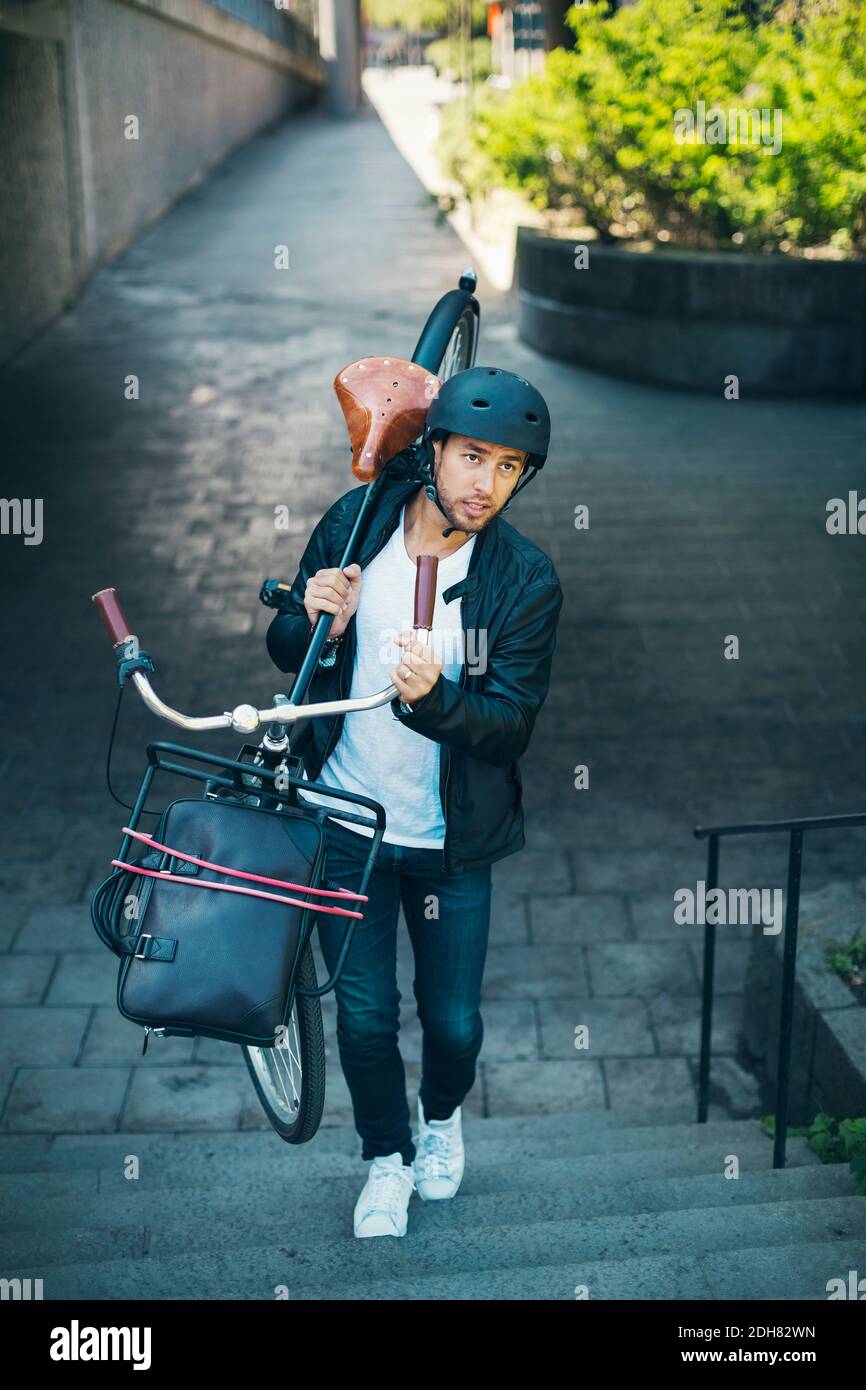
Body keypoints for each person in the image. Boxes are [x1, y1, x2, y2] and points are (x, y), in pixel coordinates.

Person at [266, 366, 563, 1238]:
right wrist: (310, 614)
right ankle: (385, 1158)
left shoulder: (524, 582)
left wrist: (434, 699)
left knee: (456, 1022)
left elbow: (510, 727)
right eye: (473, 457)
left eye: (511, 468)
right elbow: (292, 652)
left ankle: (441, 1119)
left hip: (449, 842)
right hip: (345, 819)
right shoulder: (355, 523)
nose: (487, 485)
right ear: (432, 449)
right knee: (361, 1015)